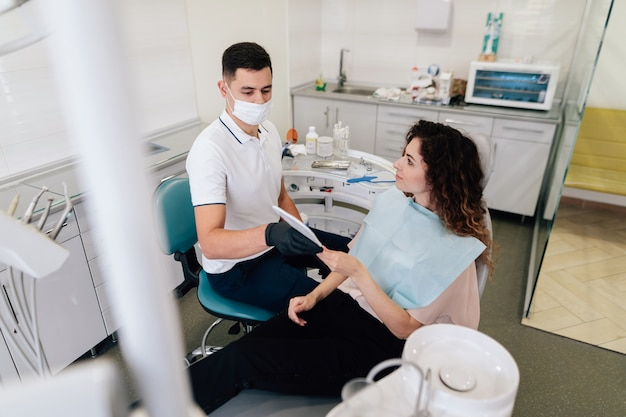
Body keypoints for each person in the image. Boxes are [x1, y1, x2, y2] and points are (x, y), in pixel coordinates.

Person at [187, 120, 494, 413]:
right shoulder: (394, 203)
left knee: (246, 360)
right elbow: (351, 262)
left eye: (410, 161)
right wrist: (315, 296)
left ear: (439, 176)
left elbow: (403, 329)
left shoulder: (454, 251)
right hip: (340, 306)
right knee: (248, 346)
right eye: (403, 155)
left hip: (378, 344)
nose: (397, 164)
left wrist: (359, 272)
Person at [186, 42, 350, 313]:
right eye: (247, 92)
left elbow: (281, 196)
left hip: (274, 244)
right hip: (238, 269)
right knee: (333, 305)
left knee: (351, 254)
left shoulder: (268, 130)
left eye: (266, 90)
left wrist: (307, 238)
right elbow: (211, 244)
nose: (259, 101)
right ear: (223, 89)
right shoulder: (210, 150)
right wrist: (270, 232)